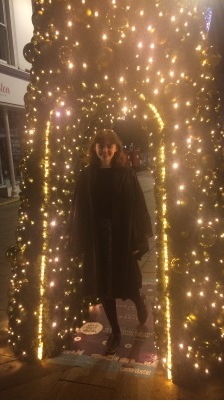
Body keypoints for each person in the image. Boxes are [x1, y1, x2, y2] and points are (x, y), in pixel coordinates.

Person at [68, 128, 153, 355]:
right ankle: (115, 331)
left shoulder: (126, 174)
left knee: (128, 281)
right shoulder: (86, 176)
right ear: (94, 148)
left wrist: (139, 237)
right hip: (98, 241)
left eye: (109, 146)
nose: (105, 150)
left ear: (116, 148)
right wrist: (78, 238)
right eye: (101, 145)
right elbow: (78, 210)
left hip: (121, 237)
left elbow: (138, 206)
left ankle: (139, 301)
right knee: (104, 287)